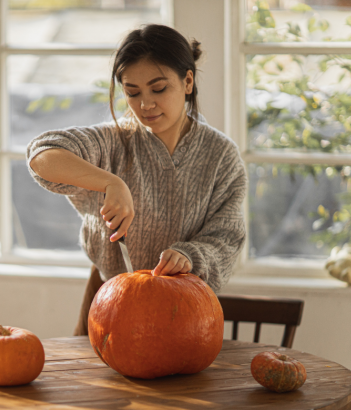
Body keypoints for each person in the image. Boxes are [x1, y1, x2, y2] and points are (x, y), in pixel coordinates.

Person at [26, 24, 247, 336]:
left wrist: (189, 256)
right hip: (111, 302)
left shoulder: (221, 155)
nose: (145, 105)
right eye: (132, 93)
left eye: (158, 89)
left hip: (187, 311)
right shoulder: (112, 143)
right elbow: (42, 155)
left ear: (187, 81)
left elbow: (226, 238)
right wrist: (110, 182)